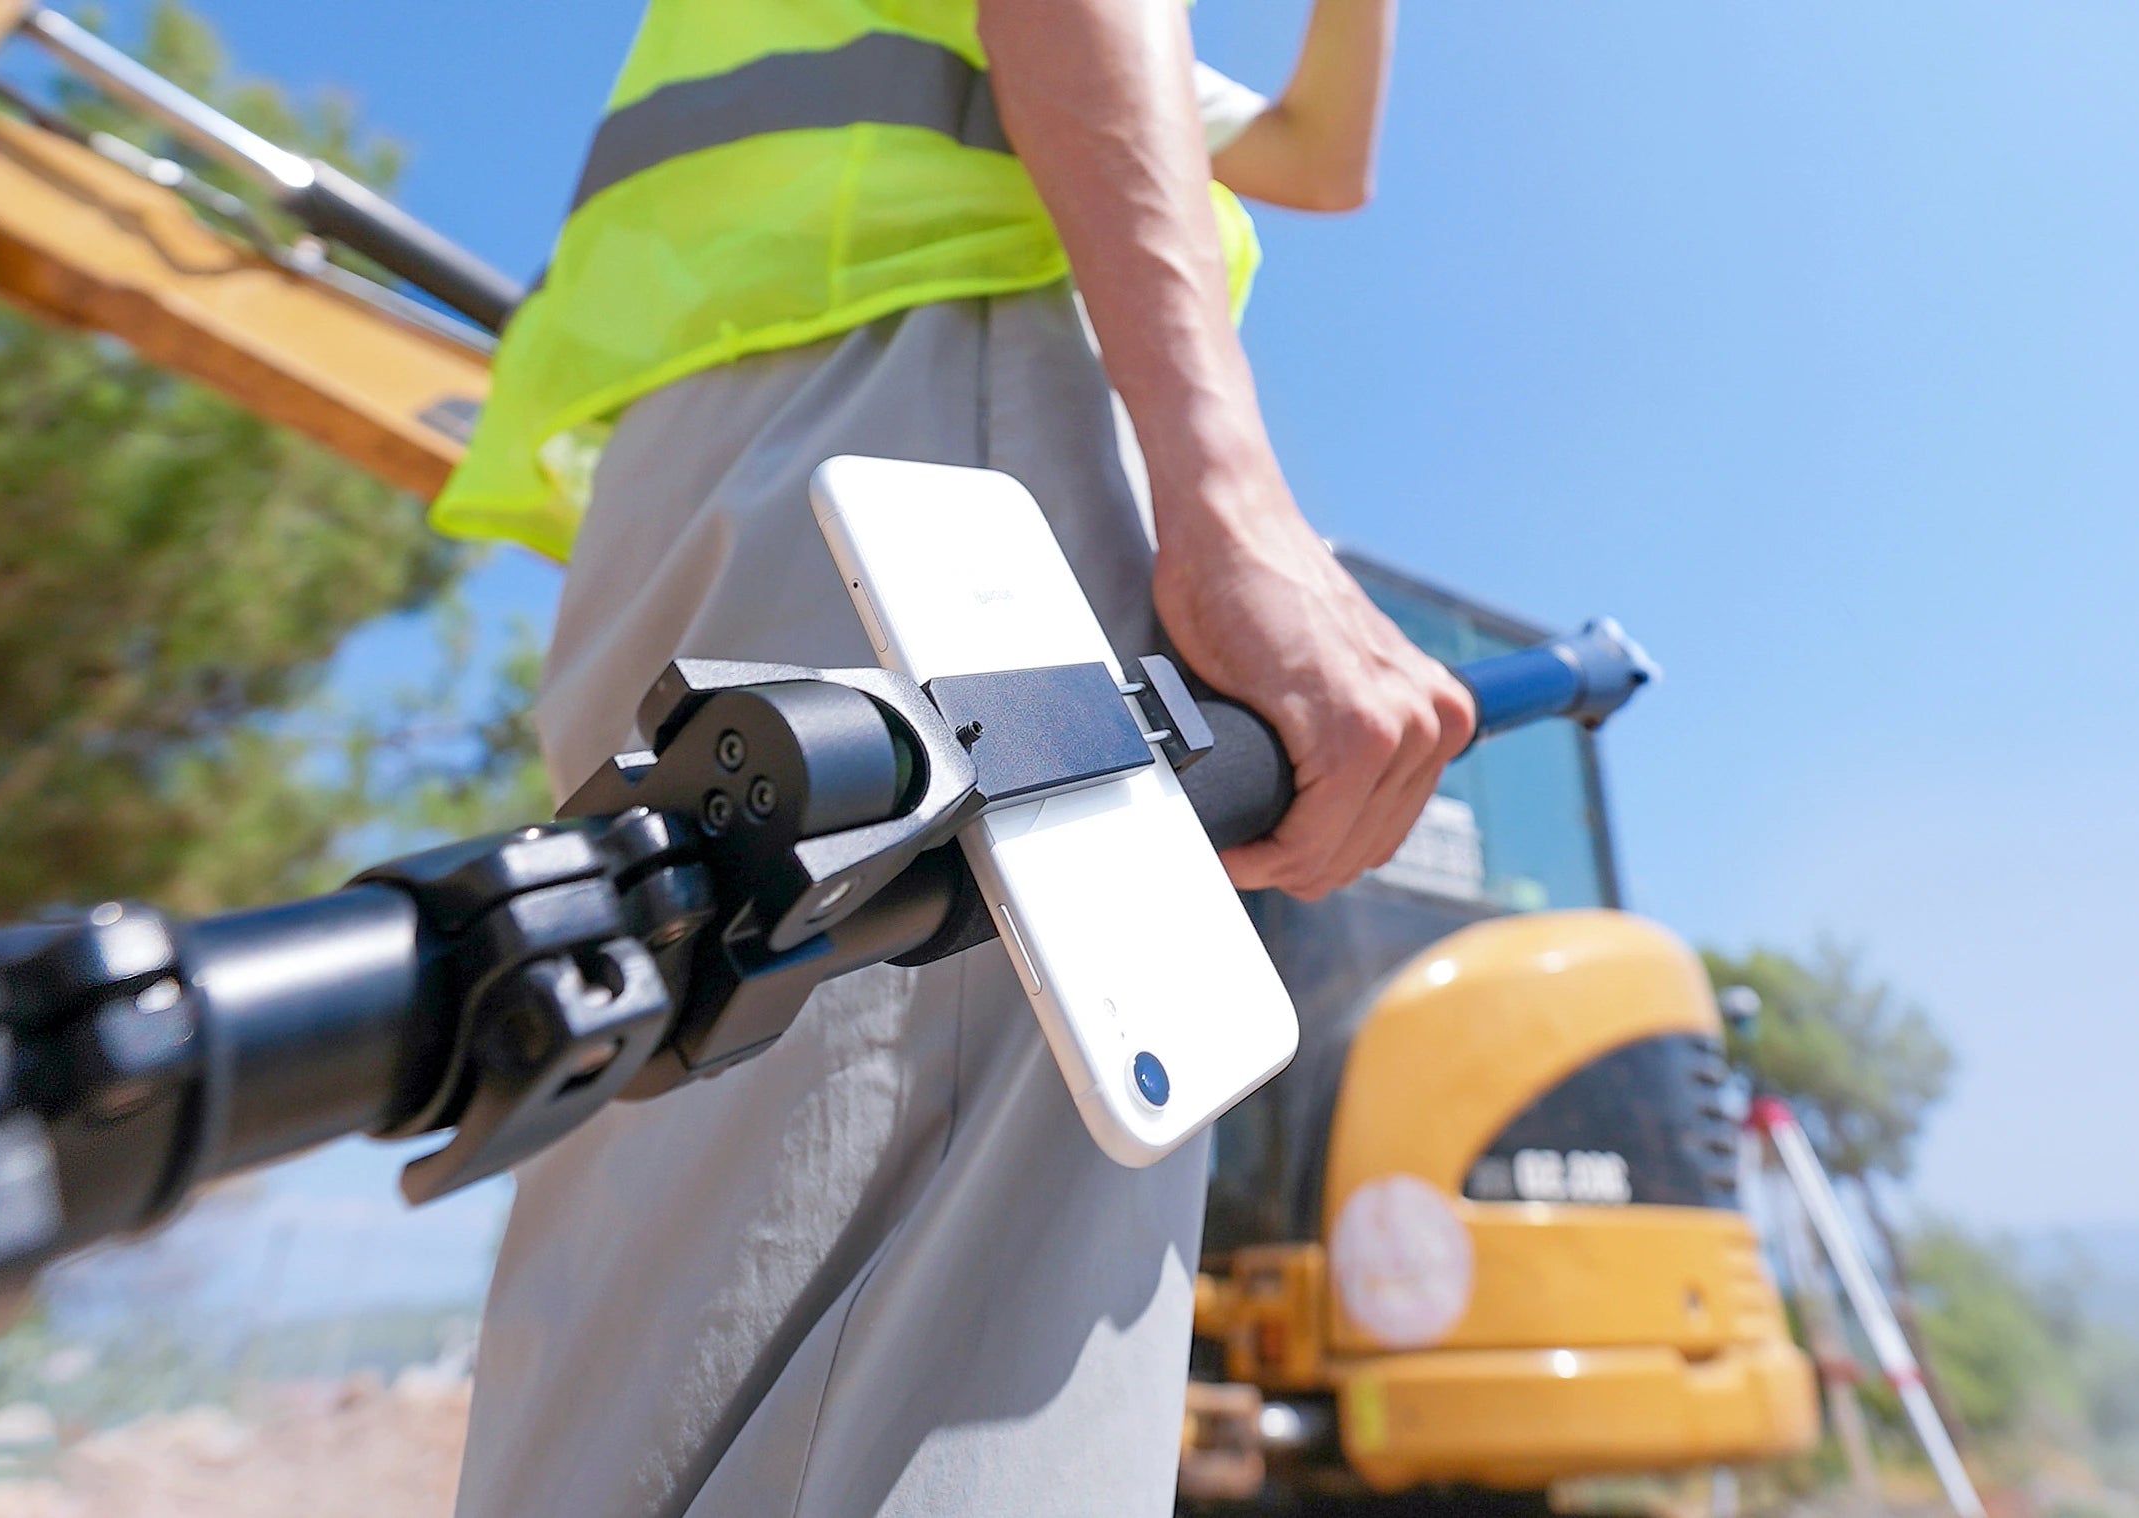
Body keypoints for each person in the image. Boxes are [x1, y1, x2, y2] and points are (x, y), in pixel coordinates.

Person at [435, 2, 1475, 1513]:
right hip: (930, 432)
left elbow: (1320, 159)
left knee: (676, 1261)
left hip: (763, 435)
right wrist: (1231, 501)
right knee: (946, 1272)